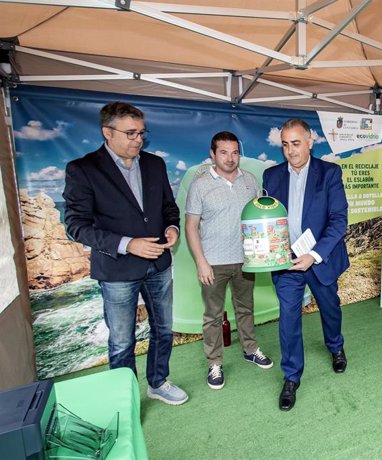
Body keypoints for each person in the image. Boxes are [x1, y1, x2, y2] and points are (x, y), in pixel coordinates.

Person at [63, 102, 188, 405]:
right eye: (130, 133)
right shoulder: (83, 169)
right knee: (121, 341)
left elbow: (168, 208)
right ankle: (125, 397)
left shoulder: (154, 164)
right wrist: (127, 244)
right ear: (107, 132)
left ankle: (157, 383)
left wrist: (173, 228)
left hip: (159, 264)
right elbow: (76, 225)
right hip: (117, 269)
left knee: (163, 329)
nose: (138, 140)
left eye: (141, 133)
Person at [262, 118, 350, 411]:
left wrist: (314, 255)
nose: (290, 150)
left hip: (319, 260)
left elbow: (339, 221)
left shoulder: (330, 174)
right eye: (285, 144)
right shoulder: (271, 176)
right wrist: (275, 250)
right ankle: (291, 376)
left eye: (296, 143)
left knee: (330, 308)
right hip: (287, 262)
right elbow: (269, 222)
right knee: (288, 318)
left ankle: (336, 347)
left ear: (310, 141)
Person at [185, 131, 274, 391]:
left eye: (235, 152)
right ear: (213, 154)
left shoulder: (250, 180)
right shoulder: (200, 183)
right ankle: (215, 363)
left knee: (245, 308)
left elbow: (258, 219)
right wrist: (201, 261)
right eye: (223, 152)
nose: (230, 158)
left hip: (246, 260)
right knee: (213, 315)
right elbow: (191, 226)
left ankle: (250, 349)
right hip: (213, 262)